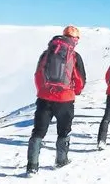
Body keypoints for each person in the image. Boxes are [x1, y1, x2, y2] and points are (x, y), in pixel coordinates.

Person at [26, 25, 86, 176]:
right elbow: (80, 79)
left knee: (38, 132)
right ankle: (61, 160)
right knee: (64, 131)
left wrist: (43, 91)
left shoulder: (47, 53)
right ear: (75, 39)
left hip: (44, 98)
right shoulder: (74, 55)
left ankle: (32, 167)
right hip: (65, 99)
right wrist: (75, 92)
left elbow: (38, 74)